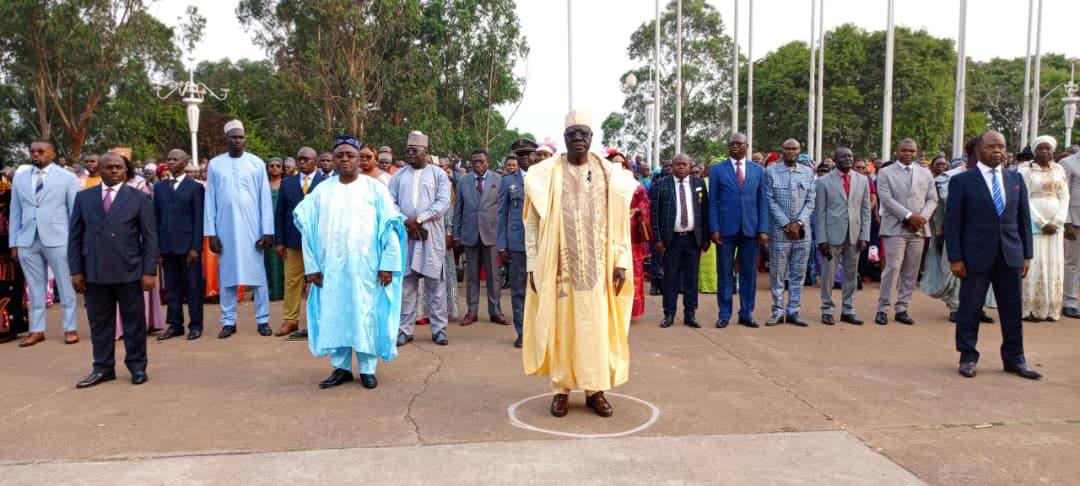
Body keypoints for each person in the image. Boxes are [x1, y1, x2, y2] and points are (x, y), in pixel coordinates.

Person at [523, 109, 635, 418]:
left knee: (595, 329)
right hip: (559, 269)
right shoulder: (545, 174)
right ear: (564, 139)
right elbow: (532, 224)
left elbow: (621, 222)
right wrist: (533, 264)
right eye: (572, 134)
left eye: (583, 134)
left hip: (598, 271)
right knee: (561, 329)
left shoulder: (609, 174)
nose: (578, 139)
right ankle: (561, 390)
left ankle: (595, 390)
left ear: (592, 138)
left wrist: (621, 261)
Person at [293, 135, 404, 390]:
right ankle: (341, 368)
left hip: (366, 269)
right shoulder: (322, 190)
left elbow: (390, 227)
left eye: (350, 155)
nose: (344, 159)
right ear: (332, 159)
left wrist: (387, 264)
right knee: (336, 315)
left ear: (359, 159)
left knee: (364, 314)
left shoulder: (375, 189)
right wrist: (312, 266)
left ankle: (367, 368)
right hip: (331, 269)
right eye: (339, 155)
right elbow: (306, 228)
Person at [945, 131, 1040, 380]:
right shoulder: (963, 181)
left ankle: (1015, 358)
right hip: (975, 256)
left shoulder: (1015, 179)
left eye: (1002, 147)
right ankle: (967, 356)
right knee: (970, 307)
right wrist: (955, 257)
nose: (998, 151)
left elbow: (1023, 220)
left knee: (1012, 309)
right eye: (992, 147)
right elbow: (952, 223)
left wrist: (1027, 254)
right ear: (978, 151)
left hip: (1010, 254)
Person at [69, 152, 158, 388]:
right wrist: (76, 270)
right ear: (98, 169)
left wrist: (149, 271)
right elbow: (75, 237)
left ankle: (137, 367)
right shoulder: (84, 198)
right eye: (108, 167)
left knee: (134, 323)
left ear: (126, 170)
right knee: (99, 323)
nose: (114, 171)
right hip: (95, 270)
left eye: (119, 167)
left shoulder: (139, 198)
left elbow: (150, 238)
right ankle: (103, 368)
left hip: (129, 270)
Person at [205, 120, 275, 339]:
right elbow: (210, 200)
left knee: (258, 276)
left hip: (253, 228)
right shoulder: (215, 164)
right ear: (226, 139)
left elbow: (265, 198)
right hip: (224, 228)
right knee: (227, 275)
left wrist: (267, 231)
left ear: (245, 139)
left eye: (241, 137)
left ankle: (262, 320)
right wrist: (211, 233)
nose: (238, 141)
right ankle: (228, 321)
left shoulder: (255, 163)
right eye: (233, 137)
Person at [10, 139, 80, 346]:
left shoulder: (67, 178)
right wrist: (14, 244)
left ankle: (70, 328)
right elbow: (15, 213)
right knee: (34, 286)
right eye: (32, 151)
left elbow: (74, 212)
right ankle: (37, 329)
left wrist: (74, 242)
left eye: (41, 151)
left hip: (59, 238)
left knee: (65, 285)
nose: (35, 154)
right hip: (27, 240)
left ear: (52, 154)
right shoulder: (20, 179)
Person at [389, 131, 452, 346]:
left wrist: (420, 219)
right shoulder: (398, 175)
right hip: (406, 235)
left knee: (436, 285)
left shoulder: (438, 175)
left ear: (425, 152)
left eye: (414, 151)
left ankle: (439, 329)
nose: (410, 154)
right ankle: (405, 330)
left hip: (431, 236)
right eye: (407, 150)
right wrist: (406, 221)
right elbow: (391, 202)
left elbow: (444, 202)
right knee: (407, 285)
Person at [875, 138, 938, 325]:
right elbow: (886, 199)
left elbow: (933, 199)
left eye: (912, 151)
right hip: (895, 227)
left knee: (911, 270)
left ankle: (902, 308)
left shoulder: (926, 173)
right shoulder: (885, 172)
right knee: (893, 268)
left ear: (916, 152)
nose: (908, 154)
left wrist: (921, 218)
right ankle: (883, 308)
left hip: (919, 229)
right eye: (904, 150)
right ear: (897, 151)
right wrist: (909, 216)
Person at [709, 133, 769, 328]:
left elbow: (762, 202)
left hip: (751, 230)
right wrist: (715, 227)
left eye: (739, 143)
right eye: (732, 143)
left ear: (747, 145)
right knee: (725, 272)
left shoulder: (758, 170)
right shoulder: (718, 170)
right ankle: (724, 314)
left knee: (749, 274)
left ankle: (746, 313)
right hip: (725, 230)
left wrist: (763, 229)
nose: (735, 146)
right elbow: (713, 202)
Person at [651, 153, 709, 328]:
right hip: (671, 240)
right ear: (672, 166)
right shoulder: (661, 185)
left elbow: (705, 212)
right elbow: (654, 215)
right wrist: (658, 239)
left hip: (693, 239)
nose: (682, 167)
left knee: (692, 278)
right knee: (670, 278)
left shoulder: (698, 184)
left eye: (685, 164)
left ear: (690, 165)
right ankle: (669, 314)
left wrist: (705, 238)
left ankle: (690, 314)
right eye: (678, 164)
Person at [153, 149, 205, 341]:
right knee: (172, 288)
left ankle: (196, 325)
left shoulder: (195, 187)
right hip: (167, 245)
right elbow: (155, 218)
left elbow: (199, 219)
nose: (171, 162)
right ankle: (175, 325)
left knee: (193, 287)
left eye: (175, 159)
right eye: (169, 159)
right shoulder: (159, 188)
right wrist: (156, 245)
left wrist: (195, 247)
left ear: (185, 162)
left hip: (188, 246)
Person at [763, 139, 816, 326]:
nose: (791, 152)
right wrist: (787, 224)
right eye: (787, 148)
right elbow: (769, 200)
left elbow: (811, 201)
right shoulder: (770, 172)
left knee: (798, 273)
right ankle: (778, 310)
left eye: (795, 149)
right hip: (779, 232)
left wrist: (799, 223)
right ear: (781, 150)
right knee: (777, 274)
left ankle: (794, 310)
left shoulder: (808, 172)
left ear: (799, 151)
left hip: (803, 233)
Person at [274, 147, 325, 339]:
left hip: (316, 243)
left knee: (318, 281)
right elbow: (279, 214)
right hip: (292, 241)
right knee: (292, 281)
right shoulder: (287, 184)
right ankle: (290, 320)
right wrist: (279, 241)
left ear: (315, 161)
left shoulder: (325, 183)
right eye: (299, 159)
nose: (302, 162)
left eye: (306, 159)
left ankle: (319, 320)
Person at [815, 147, 871, 325]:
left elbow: (865, 210)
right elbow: (820, 213)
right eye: (843, 156)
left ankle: (848, 309)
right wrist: (821, 239)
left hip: (854, 235)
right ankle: (827, 309)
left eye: (850, 156)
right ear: (835, 159)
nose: (848, 159)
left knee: (851, 274)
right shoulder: (823, 181)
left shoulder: (862, 180)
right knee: (828, 275)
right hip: (831, 235)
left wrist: (864, 235)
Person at [1017, 135, 1068, 322]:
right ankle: (1030, 309)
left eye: (1048, 148)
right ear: (1034, 151)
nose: (1044, 152)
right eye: (1041, 149)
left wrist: (1058, 220)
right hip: (1033, 223)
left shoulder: (1059, 169)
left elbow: (1065, 197)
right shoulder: (1025, 171)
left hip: (1055, 226)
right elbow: (1024, 199)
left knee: (1054, 264)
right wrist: (1040, 222)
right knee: (1035, 263)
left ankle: (1050, 309)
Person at [454, 148, 507, 326]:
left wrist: (503, 237)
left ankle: (495, 311)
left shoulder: (499, 180)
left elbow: (503, 210)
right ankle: (471, 311)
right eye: (474, 161)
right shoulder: (463, 181)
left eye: (481, 161)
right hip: (469, 234)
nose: (477, 164)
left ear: (487, 162)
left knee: (494, 275)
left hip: (492, 234)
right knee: (472, 276)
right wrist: (456, 234)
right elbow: (458, 210)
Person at [610, 151, 651, 321]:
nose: (618, 166)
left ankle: (632, 310)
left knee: (633, 269)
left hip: (632, 231)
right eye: (614, 163)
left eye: (621, 163)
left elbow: (645, 203)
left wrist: (635, 210)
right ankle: (613, 309)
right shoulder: (605, 184)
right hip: (611, 232)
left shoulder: (636, 185)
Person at [497, 154, 527, 348]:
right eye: (522, 154)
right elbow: (502, 213)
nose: (526, 158)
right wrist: (502, 244)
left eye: (529, 154)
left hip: (543, 242)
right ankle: (522, 332)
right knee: (518, 290)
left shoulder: (546, 177)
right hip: (516, 242)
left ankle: (541, 332)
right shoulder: (507, 181)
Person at [0, 172, 28, 344]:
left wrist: (14, 247)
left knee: (6, 289)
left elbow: (17, 220)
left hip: (5, 250)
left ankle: (8, 328)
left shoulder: (8, 191)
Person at [1061, 148, 1080, 319]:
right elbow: (1063, 194)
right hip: (1075, 221)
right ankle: (1069, 302)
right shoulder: (1068, 163)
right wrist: (1066, 222)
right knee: (1072, 263)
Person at [265, 158, 286, 302]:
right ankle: (268, 291)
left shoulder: (286, 185)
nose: (274, 168)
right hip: (266, 227)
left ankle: (281, 291)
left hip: (282, 226)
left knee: (281, 259)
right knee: (266, 259)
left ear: (282, 169)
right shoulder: (263, 186)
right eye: (271, 166)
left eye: (278, 166)